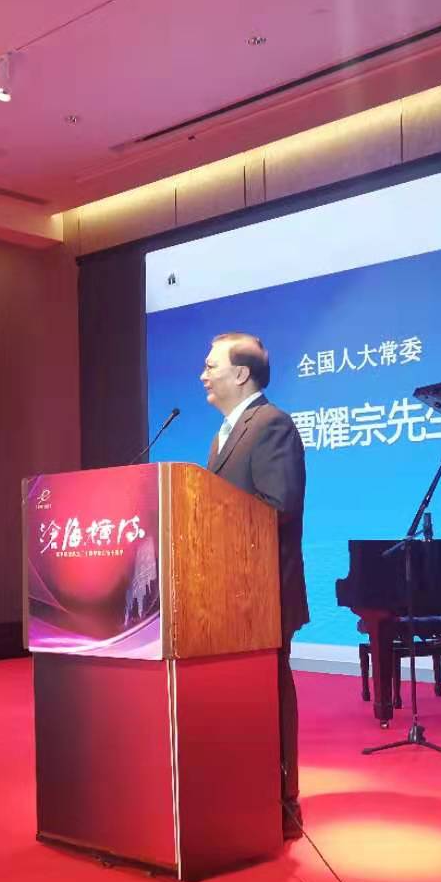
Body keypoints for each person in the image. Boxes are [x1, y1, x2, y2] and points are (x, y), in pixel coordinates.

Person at [200, 332, 309, 839]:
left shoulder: (271, 425)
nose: (203, 375)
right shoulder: (224, 433)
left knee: (270, 694)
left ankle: (284, 802)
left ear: (241, 374)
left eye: (212, 366)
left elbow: (278, 505)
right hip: (226, 591)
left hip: (263, 592)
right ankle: (243, 794)